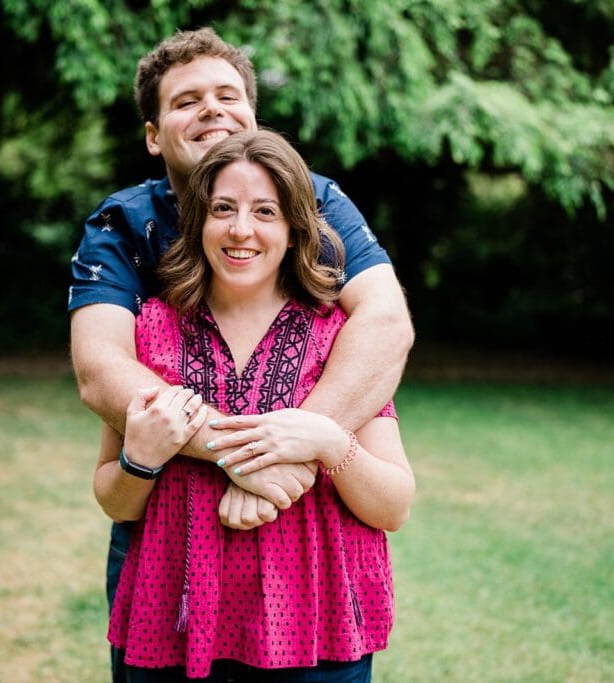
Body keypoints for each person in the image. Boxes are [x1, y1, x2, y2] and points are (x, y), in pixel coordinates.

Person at [68, 27, 414, 680]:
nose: (212, 110)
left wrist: (307, 445)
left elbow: (387, 323)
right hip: (172, 566)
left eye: (228, 94)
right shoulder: (122, 228)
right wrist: (250, 453)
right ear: (152, 134)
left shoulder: (318, 200)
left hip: (311, 589)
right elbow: (101, 370)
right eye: (186, 99)